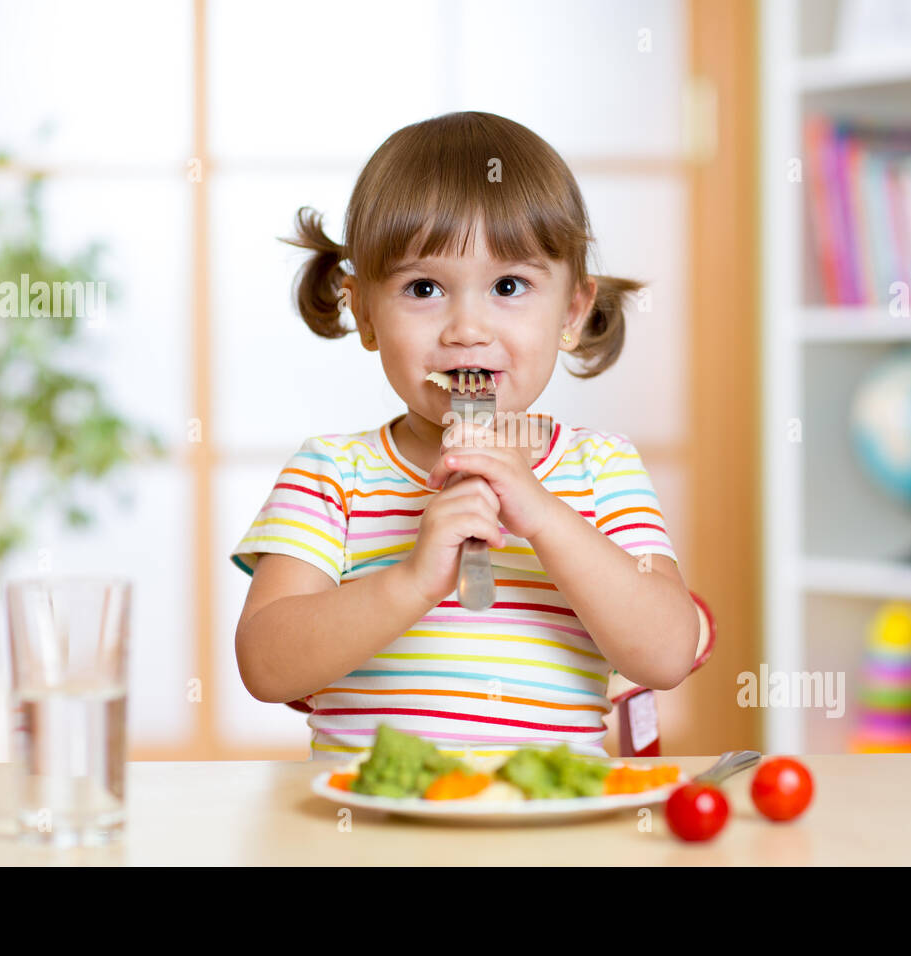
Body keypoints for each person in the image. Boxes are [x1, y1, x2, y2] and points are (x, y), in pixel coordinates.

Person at [231, 111, 698, 760]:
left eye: (509, 285)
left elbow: (668, 653)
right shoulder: (332, 474)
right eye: (424, 288)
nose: (467, 328)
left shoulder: (601, 468)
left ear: (571, 310)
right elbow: (265, 663)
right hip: (371, 831)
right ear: (364, 311)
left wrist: (540, 511)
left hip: (548, 833)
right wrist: (412, 580)